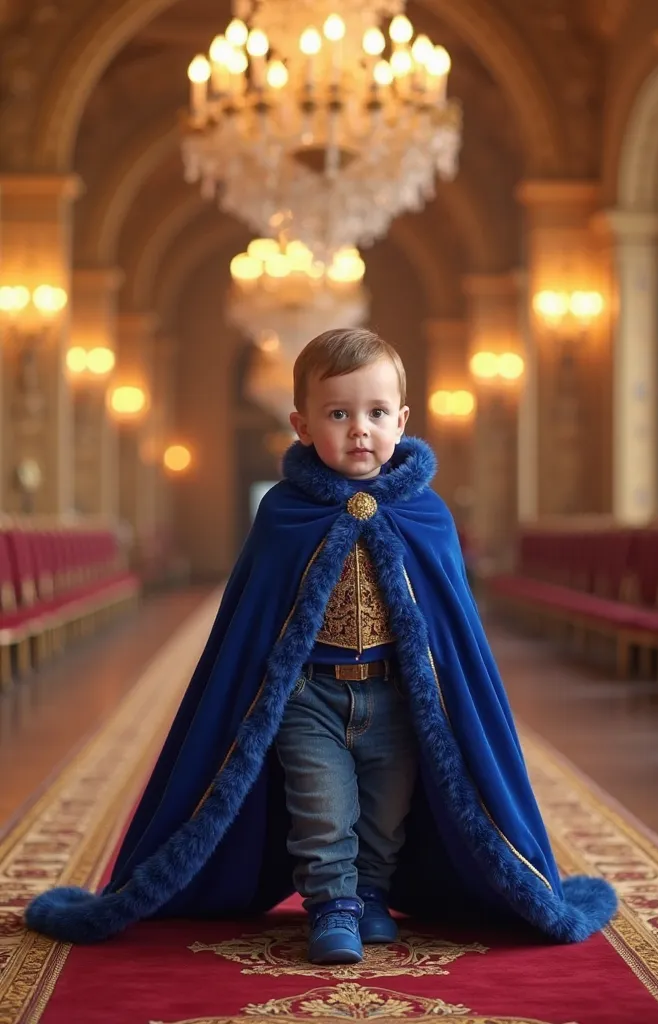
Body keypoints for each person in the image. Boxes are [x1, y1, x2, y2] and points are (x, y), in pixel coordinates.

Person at [25, 328, 616, 962]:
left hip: (396, 696)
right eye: (339, 414)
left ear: (402, 420)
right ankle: (331, 907)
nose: (360, 429)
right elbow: (249, 621)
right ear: (303, 425)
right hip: (309, 697)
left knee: (386, 814)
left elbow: (453, 628)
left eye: (376, 413)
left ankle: (370, 896)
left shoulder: (427, 512)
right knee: (322, 810)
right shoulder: (284, 511)